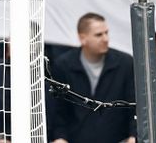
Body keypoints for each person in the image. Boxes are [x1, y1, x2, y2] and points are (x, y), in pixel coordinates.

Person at [46, 13, 135, 143]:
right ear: (83, 38)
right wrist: (60, 137)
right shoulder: (63, 65)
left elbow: (134, 104)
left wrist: (134, 136)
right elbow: (59, 109)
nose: (105, 38)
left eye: (106, 33)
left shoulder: (125, 63)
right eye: (99, 35)